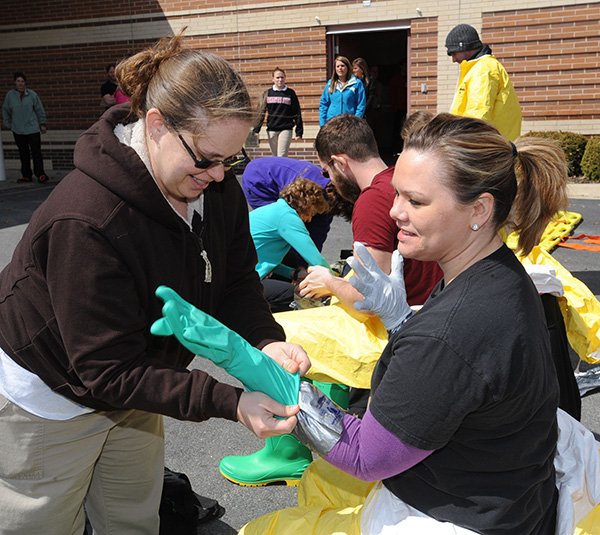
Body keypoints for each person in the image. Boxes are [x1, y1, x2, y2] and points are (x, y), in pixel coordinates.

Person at [0, 33, 310, 535]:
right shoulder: (87, 219)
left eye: (230, 161)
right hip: (46, 397)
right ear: (157, 124)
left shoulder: (216, 187)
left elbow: (233, 280)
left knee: (134, 518)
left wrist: (267, 341)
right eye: (206, 158)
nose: (217, 176)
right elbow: (105, 368)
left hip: (136, 386)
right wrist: (230, 401)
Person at [241, 113, 570, 535]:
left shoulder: (452, 331)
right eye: (396, 194)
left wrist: (279, 382)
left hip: (464, 519)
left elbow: (366, 457)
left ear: (480, 209)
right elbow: (460, 382)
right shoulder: (497, 272)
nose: (395, 211)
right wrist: (400, 322)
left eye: (415, 201)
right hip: (510, 500)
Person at [299, 114, 442, 312]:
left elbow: (368, 300)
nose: (329, 180)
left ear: (339, 163)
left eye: (326, 171)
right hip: (431, 306)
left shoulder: (371, 201)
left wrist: (329, 282)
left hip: (401, 320)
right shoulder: (402, 181)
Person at [250, 178, 332, 312]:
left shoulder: (276, 210)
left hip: (238, 274)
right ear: (308, 205)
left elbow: (264, 258)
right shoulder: (287, 217)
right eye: (313, 213)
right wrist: (337, 282)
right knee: (299, 295)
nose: (310, 219)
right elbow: (315, 259)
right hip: (245, 282)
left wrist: (292, 273)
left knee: (292, 259)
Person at [445, 23, 522, 141]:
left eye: (454, 53)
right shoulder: (481, 67)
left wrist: (464, 146)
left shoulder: (483, 70)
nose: (453, 59)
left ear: (465, 47)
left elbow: (478, 114)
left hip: (486, 147)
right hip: (492, 144)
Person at [2, 71, 48, 184]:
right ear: (15, 82)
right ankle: (26, 175)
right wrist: (8, 123)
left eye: (22, 81)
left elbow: (39, 110)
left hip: (33, 129)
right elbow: (5, 110)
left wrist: (42, 123)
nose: (20, 83)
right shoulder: (10, 96)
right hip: (18, 130)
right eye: (18, 81)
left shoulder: (32, 95)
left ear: (25, 83)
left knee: (36, 152)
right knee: (23, 153)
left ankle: (40, 174)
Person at [253, 68, 303, 157]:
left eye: (282, 77)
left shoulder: (290, 93)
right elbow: (261, 112)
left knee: (282, 155)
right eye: (277, 77)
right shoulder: (267, 93)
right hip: (272, 129)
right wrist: (256, 129)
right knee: (275, 156)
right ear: (273, 79)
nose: (280, 80)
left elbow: (297, 112)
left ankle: (282, 171)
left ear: (285, 78)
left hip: (286, 128)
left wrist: (299, 131)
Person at [319, 56, 366, 127]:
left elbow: (361, 105)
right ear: (335, 69)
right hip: (331, 124)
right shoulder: (330, 84)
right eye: (337, 66)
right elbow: (323, 104)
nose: (340, 68)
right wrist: (322, 124)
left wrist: (356, 121)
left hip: (350, 124)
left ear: (347, 67)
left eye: (342, 66)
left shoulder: (357, 83)